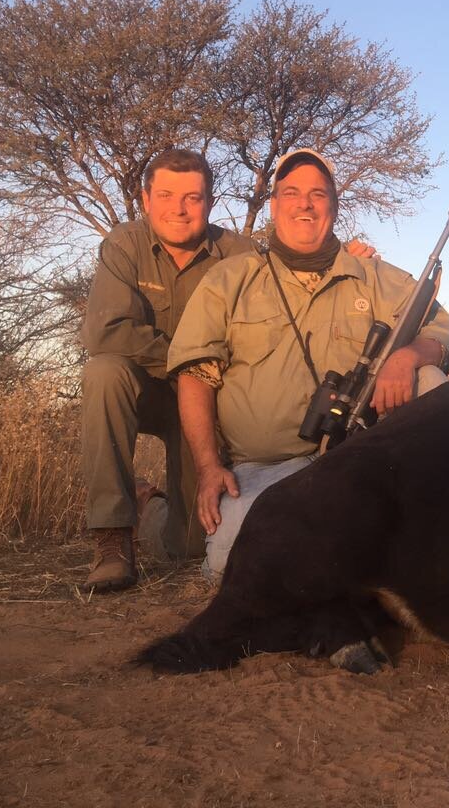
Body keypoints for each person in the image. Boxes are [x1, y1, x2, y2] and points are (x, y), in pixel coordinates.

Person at [80, 148, 373, 593]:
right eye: (166, 195)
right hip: (148, 390)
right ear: (145, 199)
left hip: (202, 405)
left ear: (210, 203)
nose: (179, 209)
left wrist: (343, 261)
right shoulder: (123, 245)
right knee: (104, 372)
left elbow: (291, 279)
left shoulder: (237, 252)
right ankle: (111, 537)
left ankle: (148, 507)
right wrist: (191, 365)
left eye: (193, 198)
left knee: (193, 545)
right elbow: (106, 333)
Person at [167, 148, 449, 580]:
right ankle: (155, 511)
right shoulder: (230, 279)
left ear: (334, 208)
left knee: (428, 377)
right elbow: (194, 376)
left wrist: (406, 356)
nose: (305, 203)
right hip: (262, 472)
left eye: (318, 195)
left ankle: (437, 523)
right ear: (275, 205)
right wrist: (209, 469)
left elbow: (438, 331)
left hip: (357, 460)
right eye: (292, 193)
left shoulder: (377, 277)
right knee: (233, 566)